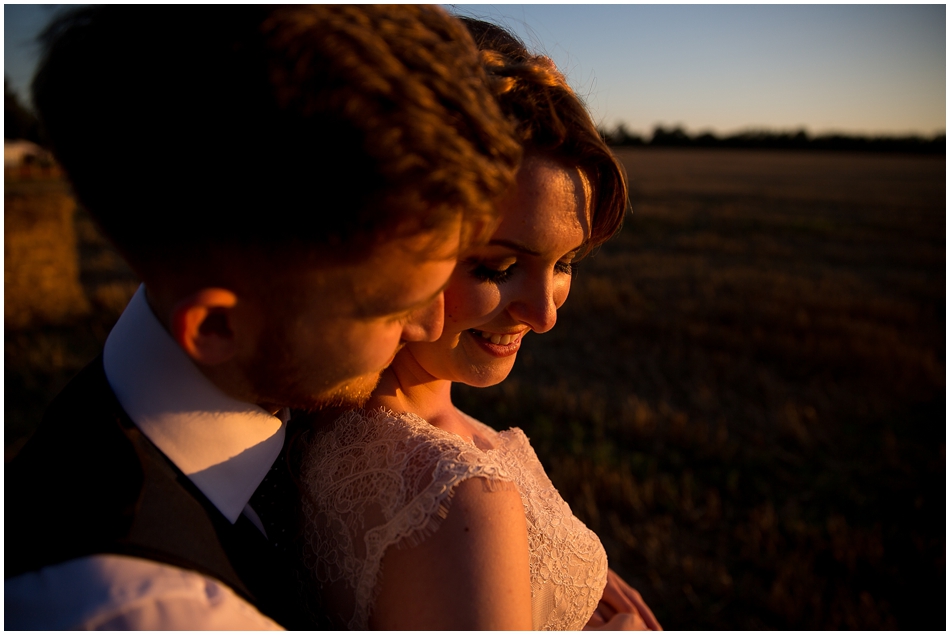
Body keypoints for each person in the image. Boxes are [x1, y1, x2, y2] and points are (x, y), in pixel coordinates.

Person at [4, 6, 521, 630]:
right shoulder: (157, 611)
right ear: (217, 327)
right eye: (390, 308)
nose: (428, 328)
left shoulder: (249, 396)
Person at [296, 17, 662, 631]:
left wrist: (568, 571)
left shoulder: (317, 424)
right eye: (498, 266)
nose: (543, 315)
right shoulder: (455, 499)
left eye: (565, 262)